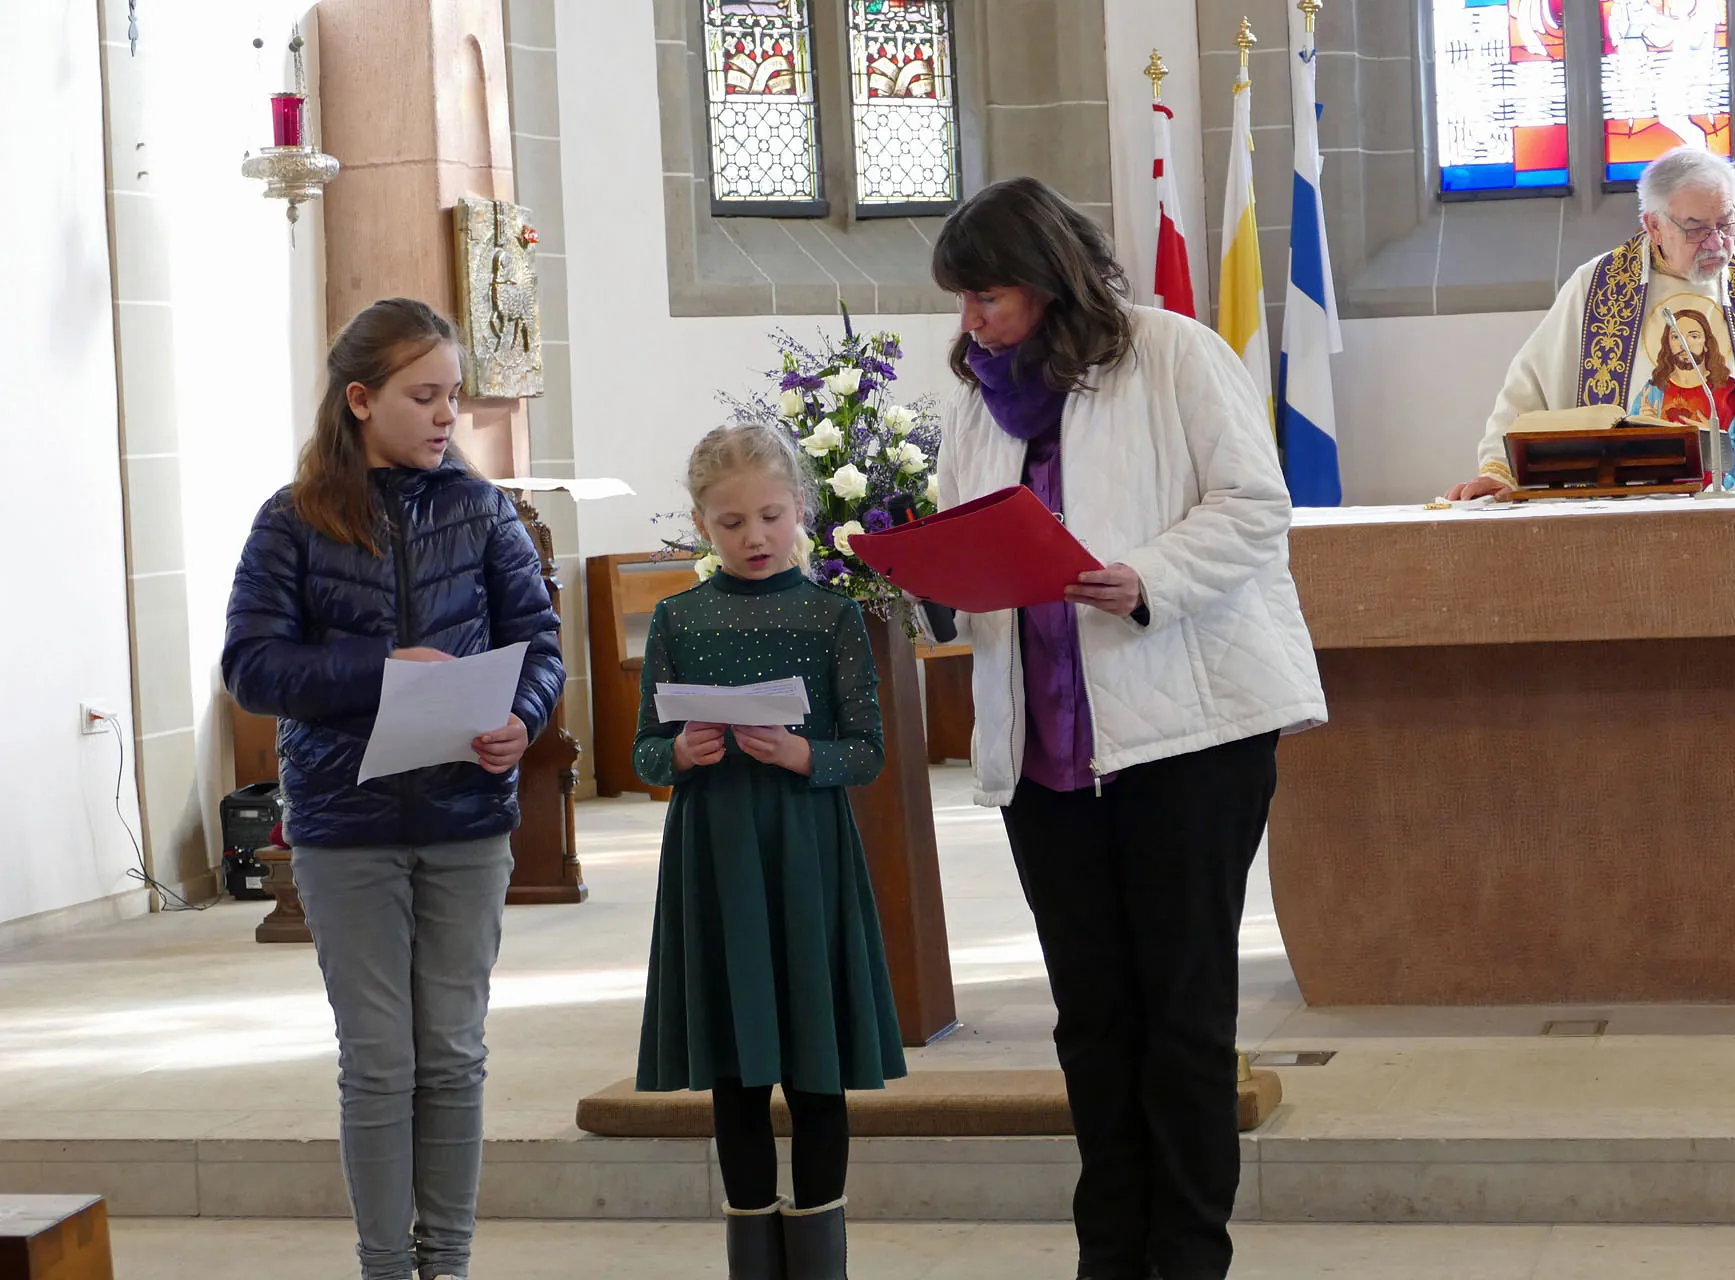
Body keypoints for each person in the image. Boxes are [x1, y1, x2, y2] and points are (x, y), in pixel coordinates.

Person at [931, 176, 1326, 1280]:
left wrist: (1141, 575)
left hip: (1186, 740)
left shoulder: (1173, 351)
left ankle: (1190, 1254)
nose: (974, 321)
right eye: (963, 301)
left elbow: (1256, 503)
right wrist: (937, 575)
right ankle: (1110, 1251)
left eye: (990, 295)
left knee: (1184, 1013)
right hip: (1046, 757)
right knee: (1092, 1019)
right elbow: (982, 546)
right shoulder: (978, 397)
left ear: (1049, 275)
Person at [222, 298, 565, 1280]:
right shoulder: (292, 521)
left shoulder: (482, 507)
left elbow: (537, 642)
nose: (446, 414)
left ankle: (445, 1263)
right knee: (381, 1059)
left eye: (453, 394)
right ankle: (385, 1266)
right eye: (424, 395)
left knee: (452, 1053)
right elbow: (253, 666)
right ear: (362, 399)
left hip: (466, 815)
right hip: (346, 826)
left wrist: (522, 715)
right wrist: (382, 669)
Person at [632, 422, 905, 1280]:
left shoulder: (832, 617)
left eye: (771, 516)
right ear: (701, 523)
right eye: (731, 522)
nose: (754, 537)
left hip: (805, 855)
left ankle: (823, 1263)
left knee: (814, 1063)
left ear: (802, 512)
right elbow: (644, 749)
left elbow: (867, 749)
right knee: (736, 1064)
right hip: (716, 857)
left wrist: (804, 755)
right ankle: (752, 1260)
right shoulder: (678, 618)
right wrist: (678, 754)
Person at [1446, 146, 1735, 500]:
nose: (1717, 243)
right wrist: (1501, 470)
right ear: (1652, 225)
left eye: (1726, 225)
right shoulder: (1597, 287)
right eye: (1696, 229)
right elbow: (1529, 391)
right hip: (1619, 517)